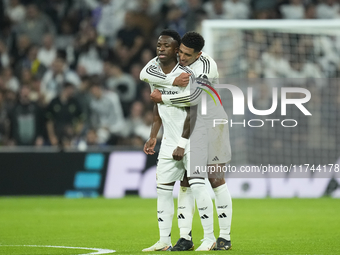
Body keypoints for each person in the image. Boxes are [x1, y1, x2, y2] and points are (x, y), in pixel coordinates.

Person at [141, 31, 232, 251]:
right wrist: (170, 80)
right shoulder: (178, 66)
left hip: (213, 123)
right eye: (179, 52)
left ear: (198, 54)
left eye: (187, 55)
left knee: (214, 178)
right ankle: (185, 237)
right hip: (188, 127)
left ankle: (224, 237)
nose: (181, 57)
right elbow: (147, 74)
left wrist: (163, 97)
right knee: (185, 181)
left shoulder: (206, 66)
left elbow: (194, 100)